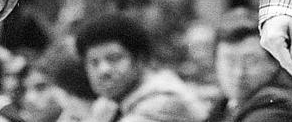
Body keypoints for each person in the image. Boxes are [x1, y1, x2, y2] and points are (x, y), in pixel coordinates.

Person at [74, 12, 205, 122]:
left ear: (140, 60)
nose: (103, 70)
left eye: (114, 59)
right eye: (94, 62)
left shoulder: (163, 102)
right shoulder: (110, 103)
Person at [206, 8, 292, 122]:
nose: (239, 73)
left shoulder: (278, 109)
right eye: (229, 61)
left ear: (275, 63)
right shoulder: (227, 104)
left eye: (251, 61)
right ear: (215, 62)